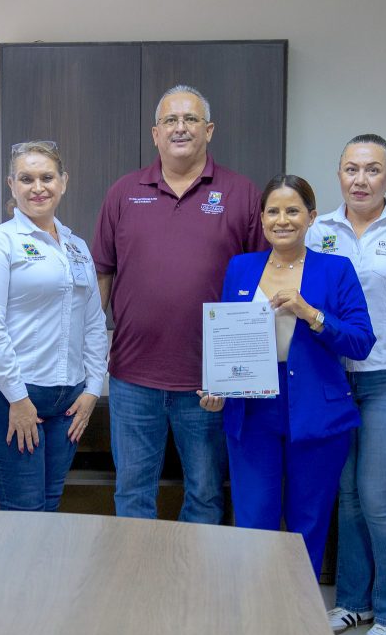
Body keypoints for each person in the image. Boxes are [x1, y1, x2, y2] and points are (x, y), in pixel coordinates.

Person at [91, 84, 267, 524]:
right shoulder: (124, 192)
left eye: (190, 119)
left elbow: (261, 284)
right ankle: (136, 569)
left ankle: (196, 572)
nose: (180, 128)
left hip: (208, 382)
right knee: (132, 493)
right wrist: (91, 357)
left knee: (205, 494)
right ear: (155, 133)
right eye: (170, 120)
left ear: (209, 130)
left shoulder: (242, 194)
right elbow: (102, 275)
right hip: (133, 377)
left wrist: (235, 375)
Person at [199, 174, 374, 575]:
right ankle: (254, 606)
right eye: (273, 211)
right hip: (252, 412)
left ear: (311, 217)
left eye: (293, 211)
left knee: (307, 525)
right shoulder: (241, 267)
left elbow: (361, 341)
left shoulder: (335, 270)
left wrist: (311, 314)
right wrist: (218, 388)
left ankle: (298, 609)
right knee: (253, 521)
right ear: (261, 219)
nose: (282, 220)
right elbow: (227, 338)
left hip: (316, 412)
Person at [307, 134, 386, 635]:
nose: (361, 180)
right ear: (339, 174)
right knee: (348, 498)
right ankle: (353, 602)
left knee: (380, 498)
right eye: (352, 169)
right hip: (333, 379)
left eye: (373, 170)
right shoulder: (318, 230)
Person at [0, 141, 107, 511]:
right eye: (26, 179)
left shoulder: (77, 247)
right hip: (11, 395)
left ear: (63, 182)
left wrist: (93, 388)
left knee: (49, 504)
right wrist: (18, 398)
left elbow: (93, 321)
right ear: (11, 185)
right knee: (24, 510)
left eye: (47, 177)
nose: (38, 187)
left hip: (69, 398)